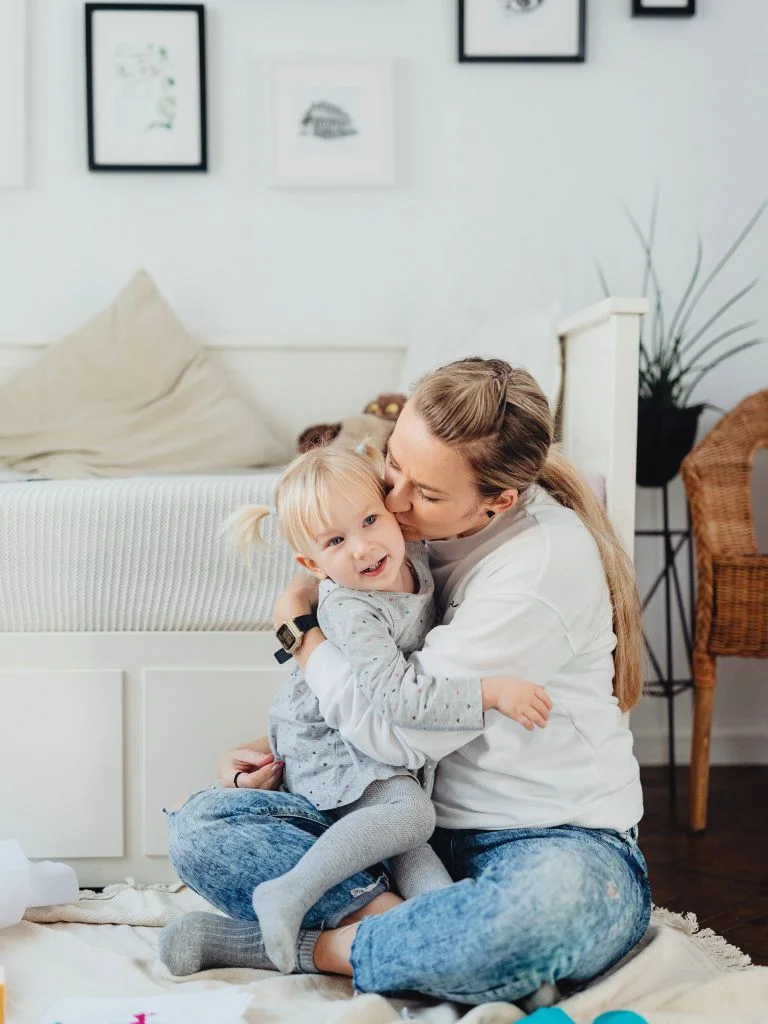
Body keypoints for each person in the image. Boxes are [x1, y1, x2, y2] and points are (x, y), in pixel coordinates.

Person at [161, 358, 651, 1007]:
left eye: (426, 493)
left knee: (539, 916)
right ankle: (422, 935)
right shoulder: (409, 535)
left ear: (498, 501)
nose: (392, 502)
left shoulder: (536, 570)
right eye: (394, 464)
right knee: (201, 828)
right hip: (406, 827)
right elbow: (375, 669)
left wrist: (300, 635)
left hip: (545, 839)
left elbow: (395, 733)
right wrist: (273, 747)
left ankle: (315, 947)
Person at [222, 443, 551, 973]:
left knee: (424, 872)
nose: (363, 548)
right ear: (313, 565)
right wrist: (489, 692)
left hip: (369, 746)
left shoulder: (408, 553)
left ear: (391, 512)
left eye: (370, 520)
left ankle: (480, 957)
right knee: (411, 815)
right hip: (329, 746)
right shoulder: (353, 608)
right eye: (336, 541)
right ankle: (289, 891)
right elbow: (398, 698)